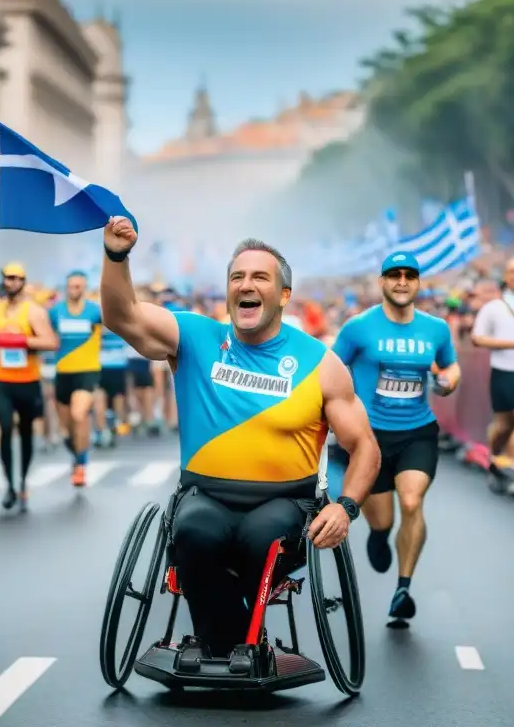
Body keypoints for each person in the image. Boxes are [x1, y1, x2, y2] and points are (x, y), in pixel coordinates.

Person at [100, 220, 380, 671]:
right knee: (194, 532)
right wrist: (116, 256)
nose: (246, 286)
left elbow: (365, 446)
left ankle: (234, 641)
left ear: (284, 295)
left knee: (258, 539)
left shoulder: (321, 364)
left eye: (260, 278)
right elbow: (122, 316)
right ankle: (228, 643)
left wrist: (345, 507)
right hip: (205, 494)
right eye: (237, 277)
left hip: (283, 501)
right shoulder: (194, 336)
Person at [329, 252, 460, 627]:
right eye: (394, 275)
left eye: (409, 276)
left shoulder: (436, 329)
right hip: (370, 438)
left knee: (412, 499)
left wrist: (451, 380)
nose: (402, 282)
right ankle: (379, 533)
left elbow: (449, 364)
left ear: (418, 283)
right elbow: (330, 370)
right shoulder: (358, 328)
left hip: (418, 431)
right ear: (382, 282)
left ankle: (403, 588)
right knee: (383, 517)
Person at [0, 262, 57, 509]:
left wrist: (22, 341)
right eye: (8, 278)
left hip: (27, 381)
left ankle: (23, 482)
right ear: (3, 280)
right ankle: (8, 486)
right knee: (5, 429)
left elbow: (51, 342)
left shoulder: (33, 311)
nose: (12, 282)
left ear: (24, 282)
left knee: (27, 433)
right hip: (2, 379)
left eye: (17, 278)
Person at [471, 257, 514, 483]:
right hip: (503, 373)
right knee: (504, 425)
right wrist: (513, 344)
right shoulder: (493, 307)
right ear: (506, 276)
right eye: (513, 272)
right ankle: (494, 457)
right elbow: (477, 338)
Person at [49, 271, 103, 486]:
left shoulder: (95, 311)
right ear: (66, 287)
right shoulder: (55, 312)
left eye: (79, 286)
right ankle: (77, 454)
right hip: (63, 372)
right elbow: (48, 336)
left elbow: (115, 325)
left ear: (85, 288)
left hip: (88, 370)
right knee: (67, 429)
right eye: (72, 286)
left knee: (79, 415)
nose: (75, 290)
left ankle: (81, 465)